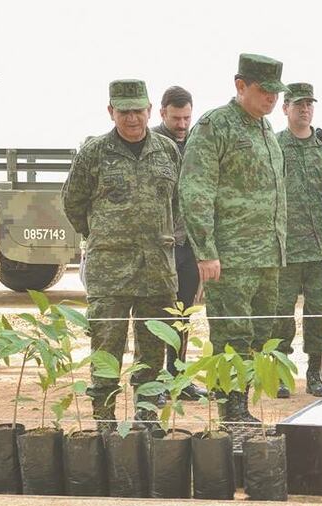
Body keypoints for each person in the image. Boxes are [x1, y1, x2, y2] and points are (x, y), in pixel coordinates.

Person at [62, 80, 180, 428]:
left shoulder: (168, 150)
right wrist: (102, 235)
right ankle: (104, 422)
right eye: (124, 111)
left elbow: (174, 203)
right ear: (111, 112)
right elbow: (73, 202)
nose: (132, 118)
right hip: (109, 272)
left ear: (149, 110)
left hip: (157, 269)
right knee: (106, 348)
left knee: (153, 347)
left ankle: (146, 416)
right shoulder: (94, 153)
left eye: (137, 110)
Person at [178, 54, 288, 426]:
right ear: (240, 85)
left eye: (275, 91)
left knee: (259, 334)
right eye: (263, 90)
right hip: (231, 257)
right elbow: (195, 191)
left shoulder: (266, 130)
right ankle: (232, 411)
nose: (271, 98)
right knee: (232, 336)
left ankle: (244, 406)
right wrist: (206, 251)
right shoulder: (215, 126)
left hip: (267, 257)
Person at [272, 82, 322, 399]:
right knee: (280, 315)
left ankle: (315, 374)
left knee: (318, 314)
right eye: (298, 104)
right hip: (285, 249)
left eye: (309, 104)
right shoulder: (273, 145)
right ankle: (281, 374)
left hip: (321, 248)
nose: (305, 109)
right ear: (285, 108)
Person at [151, 85, 207, 402]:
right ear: (162, 113)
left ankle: (179, 378)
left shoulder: (195, 144)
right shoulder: (152, 143)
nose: (183, 124)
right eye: (176, 118)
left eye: (187, 117)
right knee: (158, 315)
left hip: (189, 246)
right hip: (160, 246)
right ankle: (155, 382)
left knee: (183, 315)